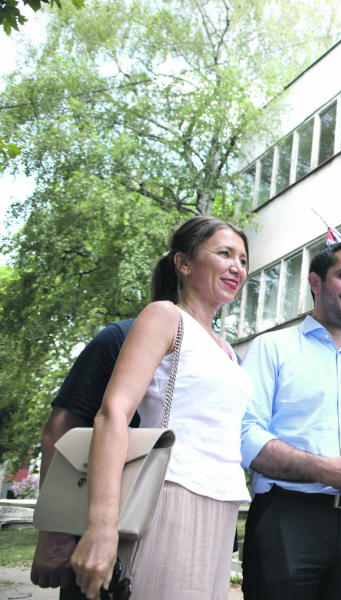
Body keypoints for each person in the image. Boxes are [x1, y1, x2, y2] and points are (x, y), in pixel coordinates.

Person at [70, 216, 252, 600]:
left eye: (243, 259)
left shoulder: (227, 351)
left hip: (223, 503)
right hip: (171, 493)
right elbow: (112, 413)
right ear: (183, 263)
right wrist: (101, 526)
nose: (237, 267)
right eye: (224, 253)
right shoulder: (166, 316)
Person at [240, 240, 341, 600]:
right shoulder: (271, 348)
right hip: (286, 518)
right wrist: (324, 470)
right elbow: (245, 435)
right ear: (315, 282)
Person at [31, 319, 137, 600]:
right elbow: (60, 429)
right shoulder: (122, 337)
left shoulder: (223, 356)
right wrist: (55, 532)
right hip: (100, 537)